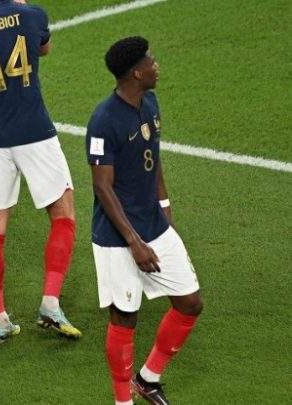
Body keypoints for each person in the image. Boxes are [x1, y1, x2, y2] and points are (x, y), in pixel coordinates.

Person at [0, 0, 82, 343]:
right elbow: (44, 48)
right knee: (63, 213)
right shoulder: (33, 14)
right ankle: (50, 303)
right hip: (35, 131)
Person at [87, 36, 203, 405]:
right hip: (116, 237)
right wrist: (134, 242)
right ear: (136, 73)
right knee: (125, 318)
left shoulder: (150, 103)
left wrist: (164, 203)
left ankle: (148, 379)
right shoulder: (104, 121)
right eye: (150, 61)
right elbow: (103, 187)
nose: (156, 65)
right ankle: (123, 400)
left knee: (190, 303)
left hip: (154, 224)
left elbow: (154, 157)